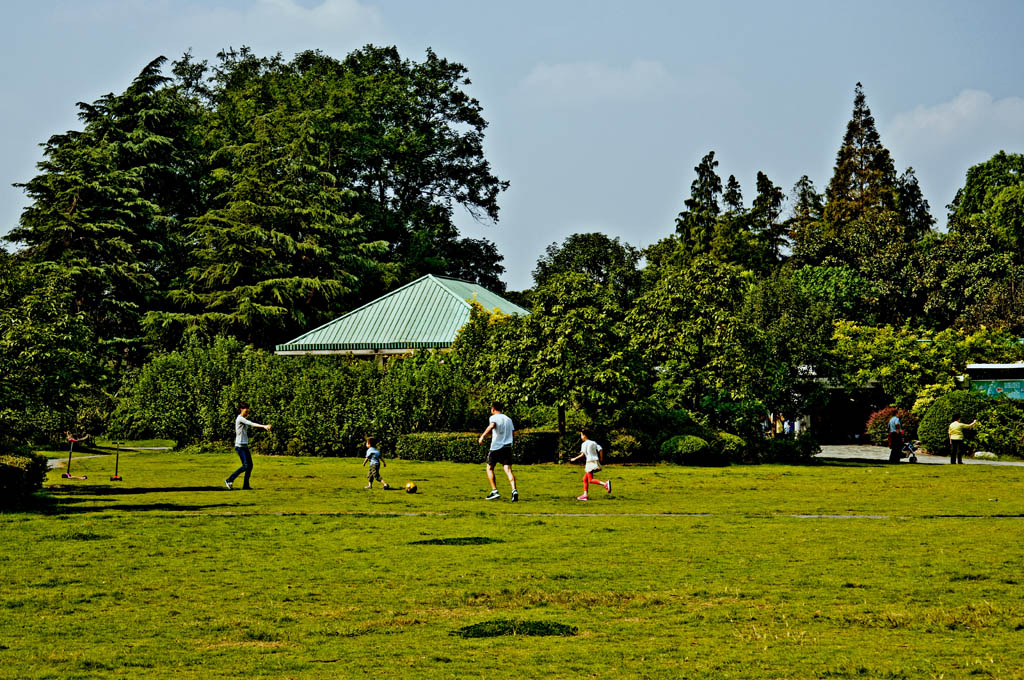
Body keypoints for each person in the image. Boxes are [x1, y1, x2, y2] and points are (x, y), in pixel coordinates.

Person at [478, 401, 518, 501]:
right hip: (507, 447)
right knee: (508, 470)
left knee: (489, 468)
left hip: (496, 447)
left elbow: (492, 426)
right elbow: (513, 433)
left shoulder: (494, 418)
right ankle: (514, 490)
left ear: (493, 409)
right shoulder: (509, 419)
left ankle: (494, 491)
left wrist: (483, 436)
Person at [226, 404, 271, 490]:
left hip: (244, 445)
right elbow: (251, 424)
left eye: (248, 411)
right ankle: (229, 480)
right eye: (246, 411)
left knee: (250, 466)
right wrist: (264, 426)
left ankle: (246, 485)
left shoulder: (243, 419)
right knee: (246, 465)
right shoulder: (240, 419)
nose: (247, 412)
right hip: (239, 446)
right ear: (241, 409)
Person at [569, 428, 611, 501]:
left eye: (581, 435)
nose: (581, 437)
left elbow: (582, 454)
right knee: (585, 479)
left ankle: (605, 484)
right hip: (595, 461)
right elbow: (600, 449)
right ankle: (585, 495)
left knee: (590, 480)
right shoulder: (593, 442)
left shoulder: (584, 444)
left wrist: (574, 459)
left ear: (584, 435)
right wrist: (601, 458)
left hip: (589, 462)